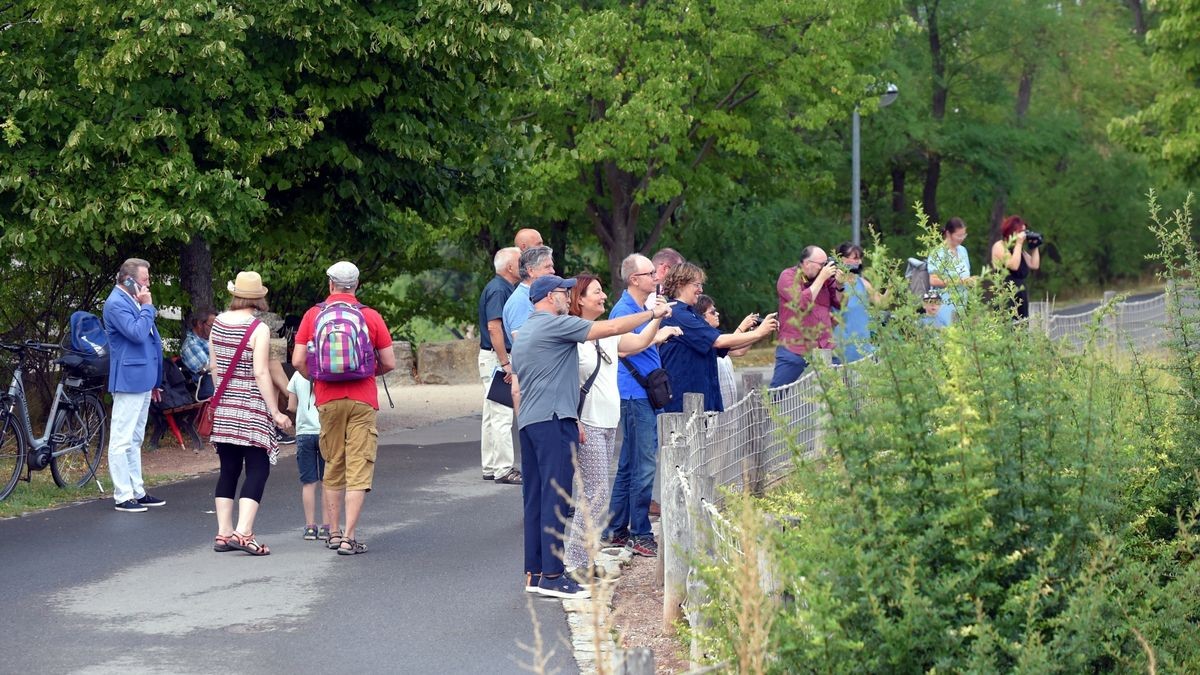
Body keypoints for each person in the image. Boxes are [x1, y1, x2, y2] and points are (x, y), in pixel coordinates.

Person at [511, 274, 674, 598]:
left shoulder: (527, 329)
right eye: (562, 291)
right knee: (557, 498)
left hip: (532, 420)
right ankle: (555, 576)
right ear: (548, 297)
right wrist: (651, 314)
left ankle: (537, 572)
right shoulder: (555, 324)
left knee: (537, 498)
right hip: (555, 419)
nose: (566, 296)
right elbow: (612, 329)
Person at [563, 273, 679, 578]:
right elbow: (565, 383)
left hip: (606, 421)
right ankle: (576, 562)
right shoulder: (573, 336)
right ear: (579, 300)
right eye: (597, 293)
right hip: (587, 422)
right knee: (595, 493)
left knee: (596, 493)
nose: (603, 297)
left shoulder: (607, 334)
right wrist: (652, 312)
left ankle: (583, 559)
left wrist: (658, 318)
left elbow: (639, 341)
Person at [291, 261, 396, 556]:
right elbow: (389, 362)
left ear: (330, 285)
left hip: (327, 400)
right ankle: (350, 537)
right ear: (357, 285)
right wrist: (362, 371)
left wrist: (320, 376)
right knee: (359, 464)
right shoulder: (370, 316)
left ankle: (333, 533)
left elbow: (299, 360)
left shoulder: (313, 315)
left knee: (334, 462)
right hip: (362, 399)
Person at [209, 271, 293, 555]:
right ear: (259, 298)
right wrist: (275, 412)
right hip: (251, 408)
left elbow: (215, 368)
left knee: (228, 470)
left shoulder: (217, 323)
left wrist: (223, 399)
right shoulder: (258, 329)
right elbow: (260, 372)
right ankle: (244, 533)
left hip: (224, 407)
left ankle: (223, 533)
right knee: (258, 468)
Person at [660, 263, 778, 413]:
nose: (701, 290)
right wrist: (758, 333)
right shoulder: (678, 314)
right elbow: (718, 340)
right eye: (697, 284)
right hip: (685, 406)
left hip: (702, 403)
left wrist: (759, 333)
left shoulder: (691, 314)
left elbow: (727, 348)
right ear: (681, 283)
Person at [102, 258, 167, 513]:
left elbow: (150, 342)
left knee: (135, 438)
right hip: (128, 379)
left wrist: (154, 380)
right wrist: (148, 307)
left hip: (142, 378)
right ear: (128, 280)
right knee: (121, 438)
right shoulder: (116, 303)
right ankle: (122, 494)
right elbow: (137, 333)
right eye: (144, 279)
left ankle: (137, 490)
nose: (148, 284)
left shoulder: (132, 301)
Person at [478, 247, 522, 484]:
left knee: (491, 413)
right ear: (509, 267)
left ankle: (491, 465)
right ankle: (503, 469)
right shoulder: (499, 290)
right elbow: (495, 327)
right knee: (502, 413)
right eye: (519, 261)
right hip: (498, 357)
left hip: (492, 356)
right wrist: (505, 362)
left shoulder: (500, 288)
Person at [770, 246, 840, 387]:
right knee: (776, 394)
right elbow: (802, 303)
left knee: (837, 397)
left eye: (826, 264)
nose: (825, 268)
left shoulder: (827, 281)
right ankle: (766, 410)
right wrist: (822, 278)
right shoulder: (788, 276)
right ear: (807, 263)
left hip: (824, 347)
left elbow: (841, 303)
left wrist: (840, 284)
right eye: (822, 265)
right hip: (794, 348)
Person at [693, 295, 758, 407]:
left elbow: (739, 351)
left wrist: (756, 333)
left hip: (729, 403)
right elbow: (728, 343)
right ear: (702, 317)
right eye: (712, 312)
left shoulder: (717, 336)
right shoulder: (707, 340)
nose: (717, 314)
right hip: (717, 402)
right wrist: (743, 326)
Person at [288, 370, 327, 541]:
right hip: (326, 431)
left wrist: (303, 411)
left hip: (304, 433)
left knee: (309, 482)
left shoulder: (297, 375)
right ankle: (328, 526)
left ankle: (310, 527)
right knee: (328, 482)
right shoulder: (325, 372)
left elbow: (291, 406)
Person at [831, 242, 884, 363]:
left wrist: (892, 286)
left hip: (863, 347)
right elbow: (841, 305)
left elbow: (881, 303)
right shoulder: (832, 283)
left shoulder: (863, 282)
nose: (859, 262)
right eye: (855, 258)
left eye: (860, 258)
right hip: (842, 346)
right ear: (841, 259)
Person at [991, 215, 1040, 320]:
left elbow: (1034, 264)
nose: (1023, 236)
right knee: (1008, 329)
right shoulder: (999, 246)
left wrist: (1034, 247)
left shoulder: (1018, 249)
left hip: (1021, 295)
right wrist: (1018, 243)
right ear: (1011, 232)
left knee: (1022, 330)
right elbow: (1013, 265)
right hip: (1006, 294)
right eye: (1020, 232)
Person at [503, 245, 555, 341]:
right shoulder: (519, 301)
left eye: (552, 266)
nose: (553, 271)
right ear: (530, 271)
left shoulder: (534, 295)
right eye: (547, 267)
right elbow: (522, 342)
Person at [928, 217, 974, 325]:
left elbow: (966, 275)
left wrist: (971, 281)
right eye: (959, 236)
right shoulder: (938, 252)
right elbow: (933, 280)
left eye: (964, 235)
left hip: (961, 303)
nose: (962, 238)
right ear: (948, 233)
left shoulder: (963, 251)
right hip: (944, 304)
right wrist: (959, 281)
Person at [180, 309, 216, 376]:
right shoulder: (190, 345)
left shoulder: (208, 340)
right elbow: (208, 370)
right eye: (212, 326)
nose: (215, 330)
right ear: (199, 324)